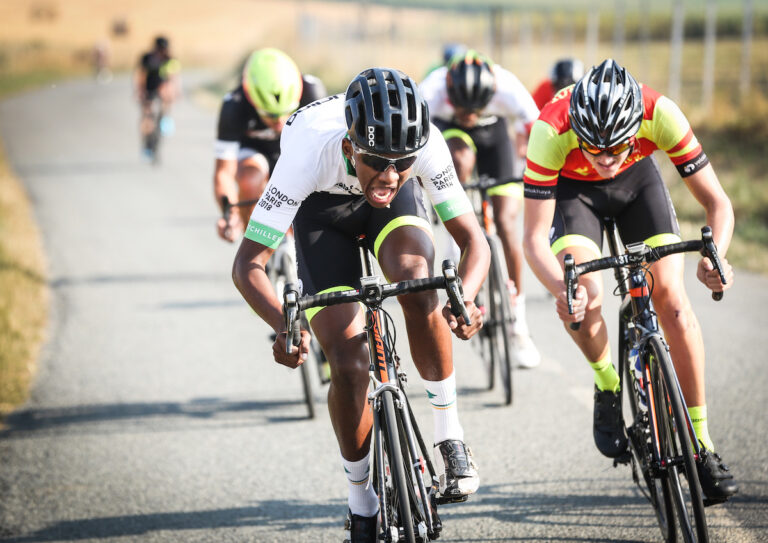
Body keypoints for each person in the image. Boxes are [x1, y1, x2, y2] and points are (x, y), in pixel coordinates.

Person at [232, 67, 490, 541]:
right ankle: (361, 502)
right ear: (351, 147)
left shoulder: (424, 146)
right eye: (377, 160)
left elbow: (475, 241)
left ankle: (449, 434)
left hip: (390, 217)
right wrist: (285, 326)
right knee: (349, 363)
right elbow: (247, 263)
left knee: (418, 283)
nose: (391, 174)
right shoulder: (309, 150)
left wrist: (467, 298)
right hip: (321, 211)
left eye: (403, 161)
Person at [522, 58, 738, 503]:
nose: (603, 160)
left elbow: (718, 203)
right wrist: (563, 292)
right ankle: (607, 382)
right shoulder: (550, 130)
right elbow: (532, 240)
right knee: (587, 292)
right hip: (572, 194)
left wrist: (717, 256)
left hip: (638, 187)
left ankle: (702, 445)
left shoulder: (660, 113)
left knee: (673, 302)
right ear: (576, 130)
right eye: (593, 149)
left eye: (615, 148)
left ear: (635, 128)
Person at [420, 49, 542, 369]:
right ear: (449, 94)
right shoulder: (431, 90)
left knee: (505, 221)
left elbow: (540, 132)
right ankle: (455, 222)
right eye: (462, 108)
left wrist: (535, 165)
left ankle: (518, 322)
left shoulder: (509, 88)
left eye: (475, 109)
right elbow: (413, 139)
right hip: (450, 135)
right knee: (458, 158)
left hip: (494, 136)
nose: (468, 114)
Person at [214, 48, 327, 241]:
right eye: (271, 115)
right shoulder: (234, 105)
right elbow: (224, 172)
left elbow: (326, 157)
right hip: (254, 152)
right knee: (249, 179)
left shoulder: (312, 91)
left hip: (296, 150)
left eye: (287, 112)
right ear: (252, 100)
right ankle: (257, 243)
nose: (280, 122)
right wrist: (229, 212)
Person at [134, 35, 181, 157]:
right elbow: (141, 76)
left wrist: (175, 92)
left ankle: (165, 118)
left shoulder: (170, 59)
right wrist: (140, 91)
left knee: (166, 99)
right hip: (148, 89)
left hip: (162, 90)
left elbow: (173, 77)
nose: (162, 51)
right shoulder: (148, 58)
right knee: (147, 115)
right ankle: (146, 140)